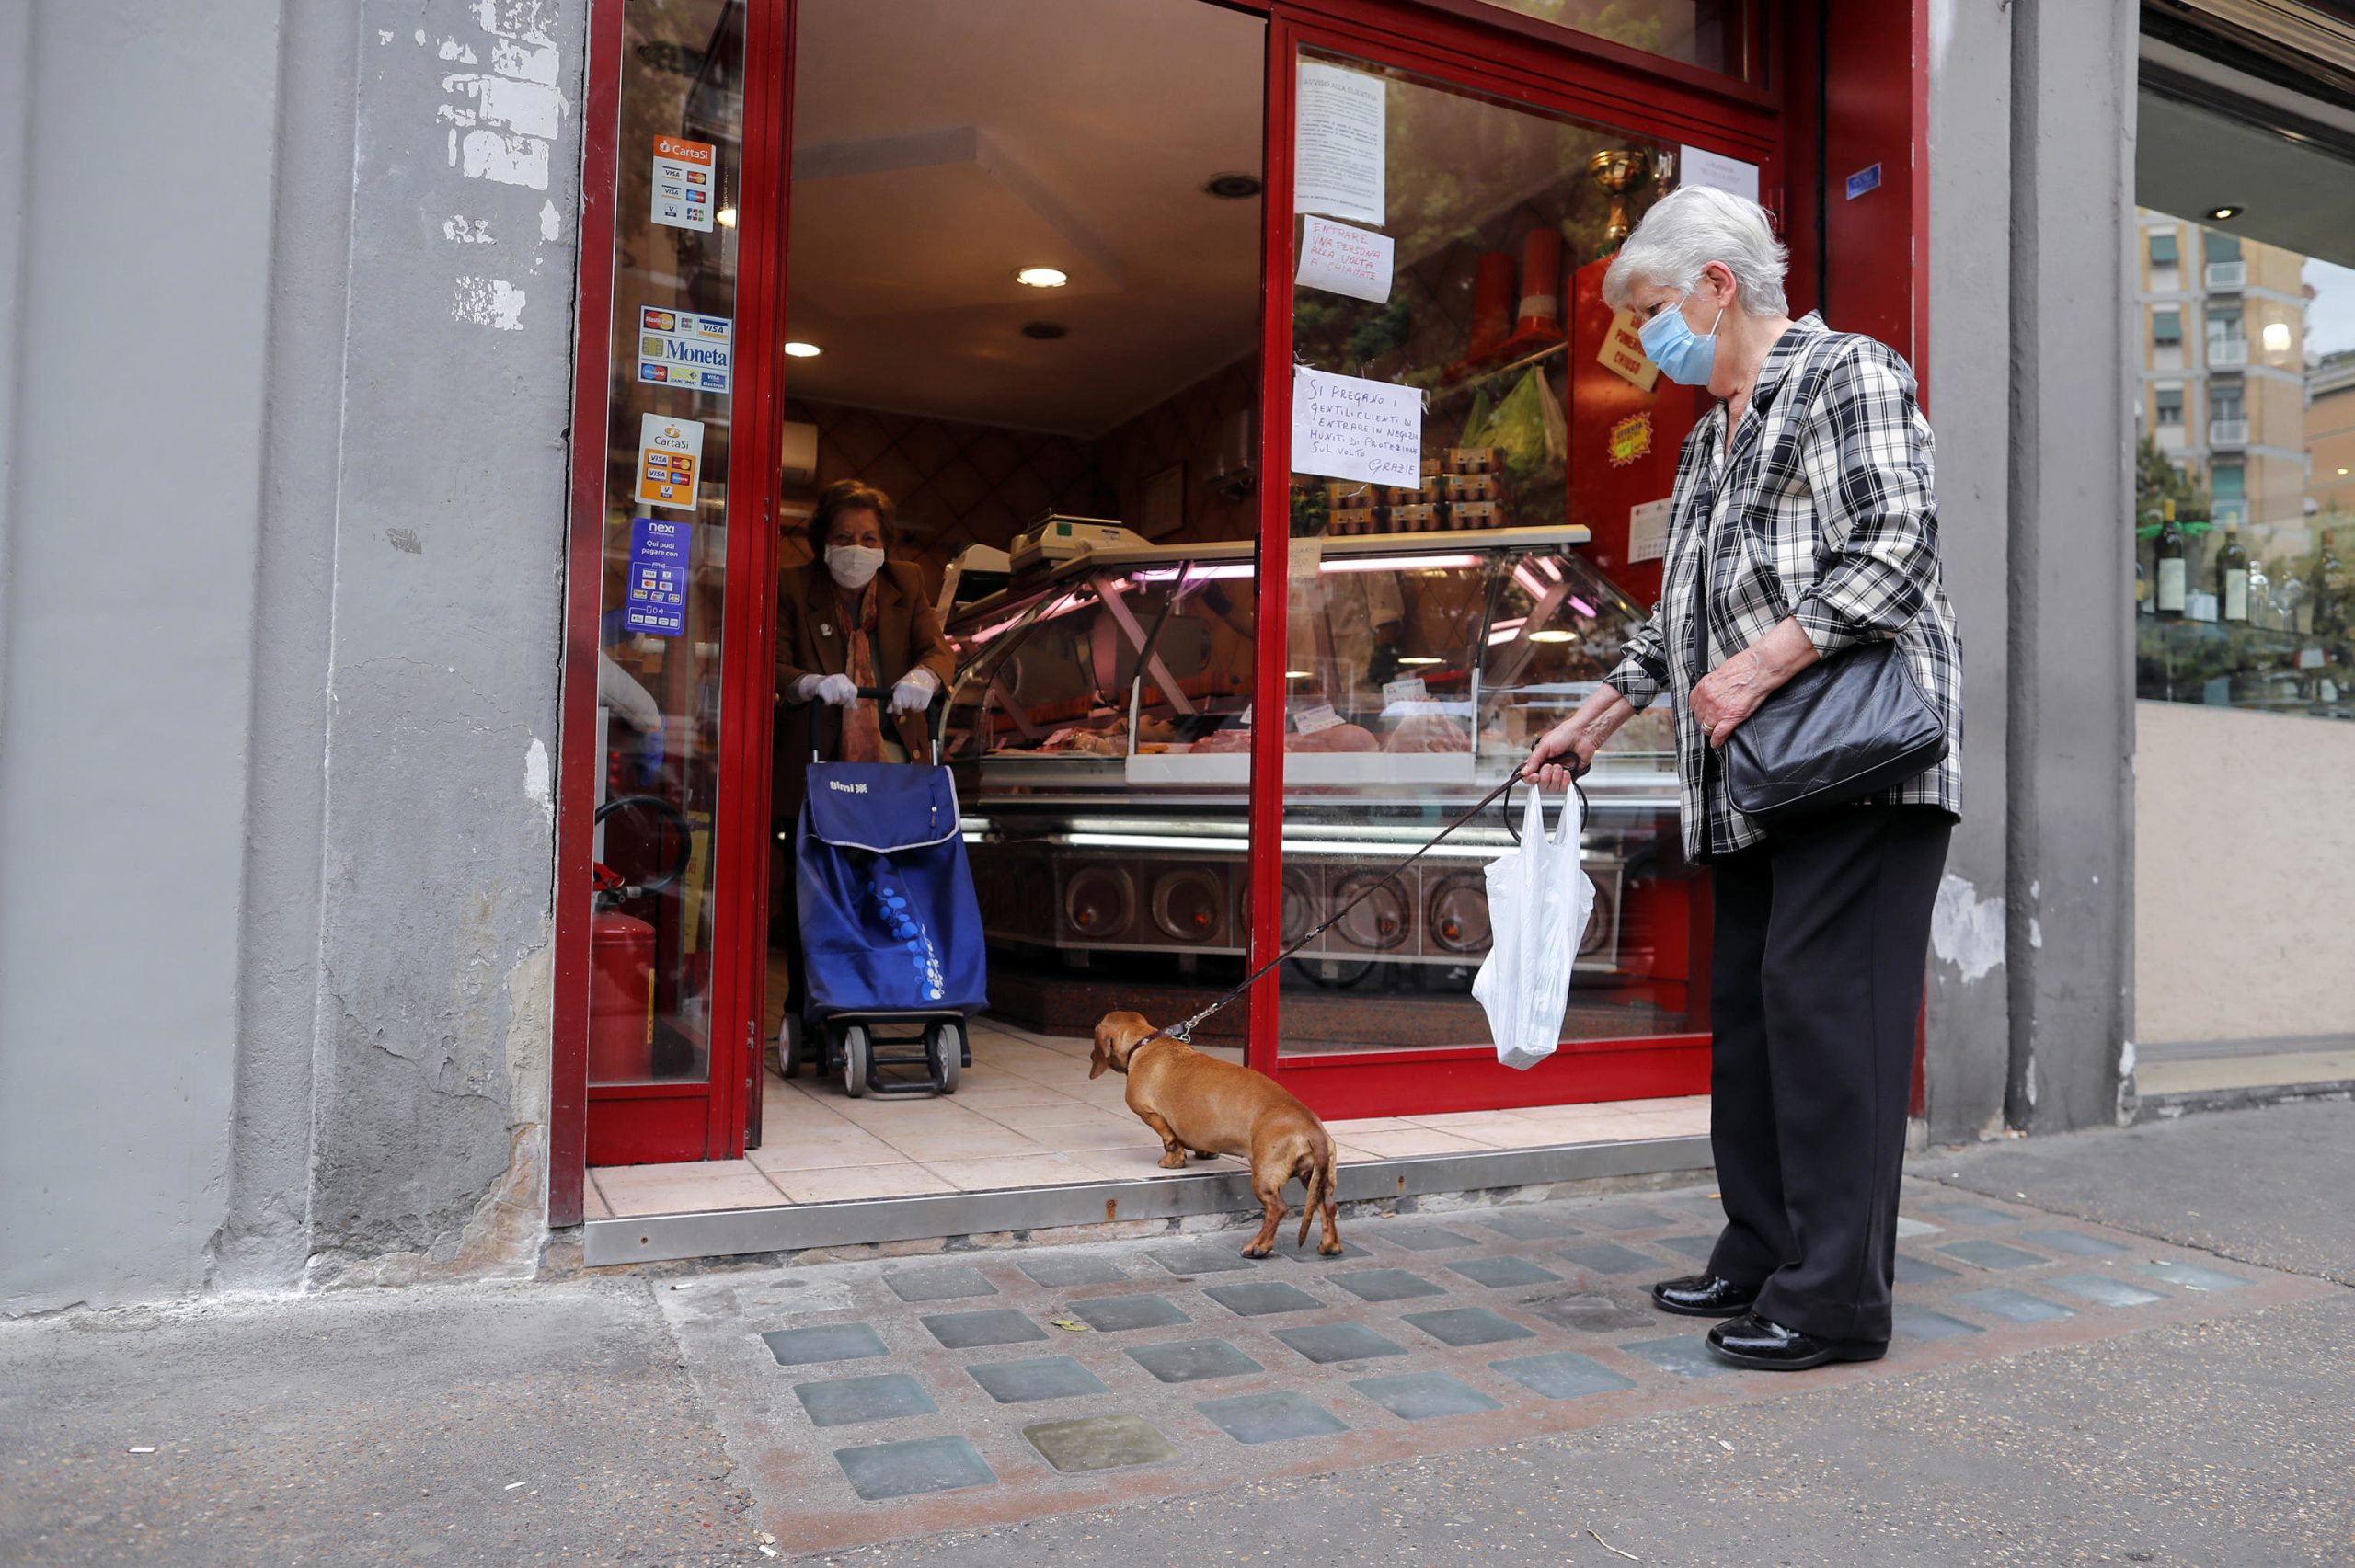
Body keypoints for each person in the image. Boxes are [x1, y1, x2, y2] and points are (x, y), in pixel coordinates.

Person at [1522, 186, 1962, 1371]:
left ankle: (1833, 1300)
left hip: (1857, 762)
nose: (1647, 341)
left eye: (1655, 309)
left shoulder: (1845, 374)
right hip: (1753, 776)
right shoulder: (1711, 432)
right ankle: (1761, 1246)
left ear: (1718, 285)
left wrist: (1760, 666)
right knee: (1758, 1022)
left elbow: (1897, 546)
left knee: (1831, 1026)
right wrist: (1594, 716)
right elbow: (1677, 623)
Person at [771, 480, 958, 1028]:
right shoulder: (791, 586)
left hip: (895, 761)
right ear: (821, 541)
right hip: (816, 762)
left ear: (886, 543)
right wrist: (808, 683)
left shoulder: (907, 580)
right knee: (818, 884)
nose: (858, 547)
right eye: (845, 536)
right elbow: (770, 661)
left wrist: (926, 676)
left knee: (897, 880)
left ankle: (900, 989)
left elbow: (936, 650)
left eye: (869, 537)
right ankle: (809, 1001)